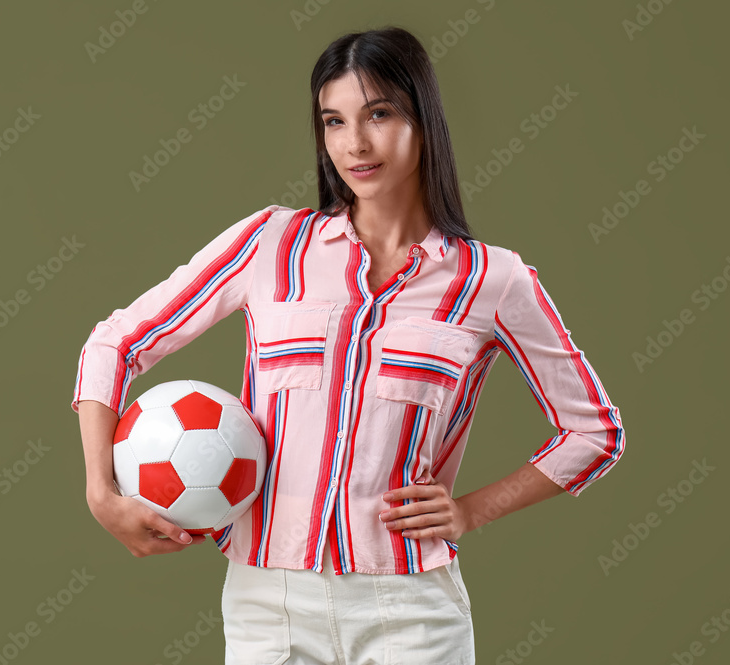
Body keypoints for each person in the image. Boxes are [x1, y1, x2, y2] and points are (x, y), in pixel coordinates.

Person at [73, 25, 625, 665]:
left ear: (426, 122)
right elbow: (114, 343)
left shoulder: (491, 280)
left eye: (379, 114)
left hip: (411, 612)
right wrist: (100, 491)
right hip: (268, 604)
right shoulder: (271, 244)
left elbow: (593, 431)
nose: (354, 144)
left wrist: (471, 510)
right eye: (333, 121)